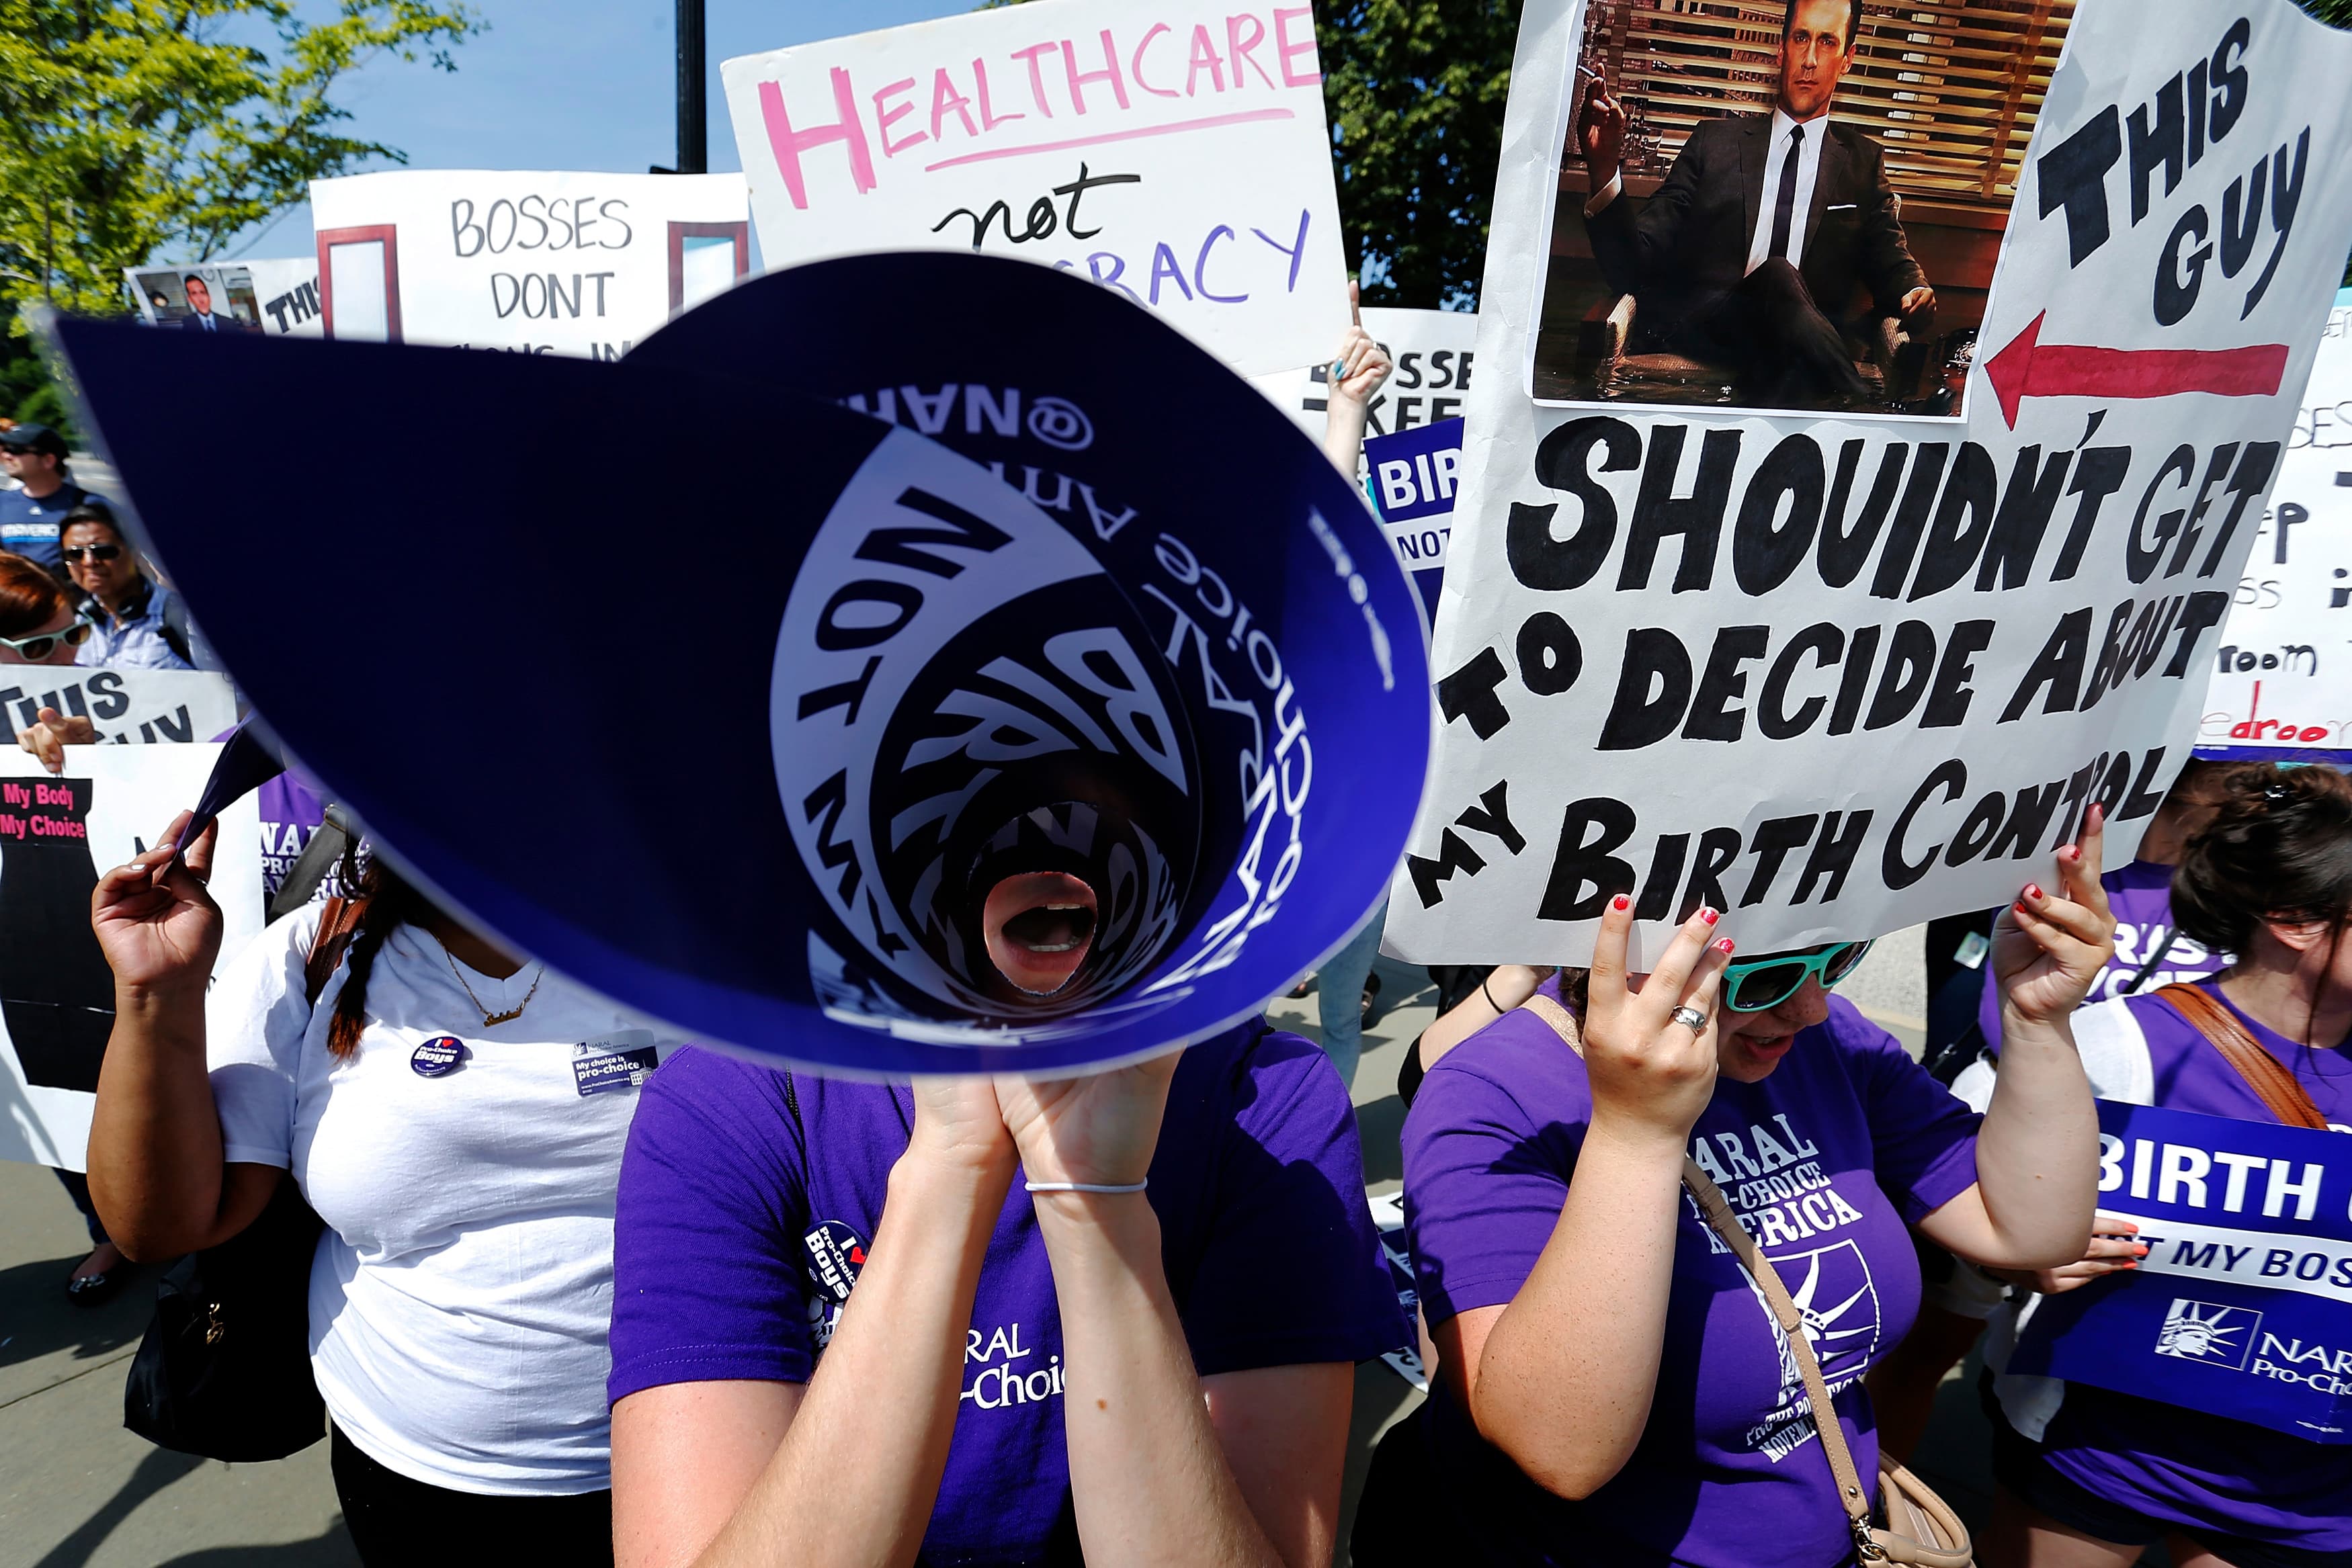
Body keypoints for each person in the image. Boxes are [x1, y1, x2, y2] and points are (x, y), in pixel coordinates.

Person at [605, 878, 1405, 1565]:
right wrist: (953, 1161)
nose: (1040, 827)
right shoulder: (726, 1104)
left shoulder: (1266, 1100)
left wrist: (1096, 1193)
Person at [1390, 812, 2111, 1565]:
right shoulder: (1496, 1091)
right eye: (1765, 977)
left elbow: (2027, 1230)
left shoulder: (1830, 1044)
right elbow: (1560, 1452)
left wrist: (2035, 1018)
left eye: (1835, 960)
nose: (1811, 1008)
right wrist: (1638, 1136)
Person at [85, 822, 675, 1565]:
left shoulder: (700, 946)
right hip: (413, 1483)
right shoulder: (316, 951)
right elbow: (160, 1225)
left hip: (703, 1450)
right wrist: (154, 995)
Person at [1964, 765, 2352, 1568]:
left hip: (2310, 1488)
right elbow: (1957, 1186)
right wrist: (2026, 1249)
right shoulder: (2117, 1045)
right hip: (2104, 1455)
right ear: (2294, 920)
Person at [1574, 0, 1933, 406]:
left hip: (1801, 349)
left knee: (1786, 359)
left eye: (1827, 42)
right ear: (1782, 49)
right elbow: (1633, 265)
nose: (1810, 59)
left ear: (1847, 58)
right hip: (1712, 331)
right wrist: (1604, 169)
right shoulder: (1714, 144)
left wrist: (1914, 289)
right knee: (1778, 274)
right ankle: (1870, 412)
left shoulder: (1862, 163)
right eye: (1801, 38)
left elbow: (1891, 258)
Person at [0, 550, 120, 1302]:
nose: (70, 655)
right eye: (44, 646)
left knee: (105, 1071)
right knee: (38, 1077)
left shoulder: (91, 701)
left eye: (72, 634)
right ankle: (108, 1232)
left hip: (80, 919)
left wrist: (89, 752)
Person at [1307, 288, 1396, 1089]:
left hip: (1361, 831)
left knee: (1341, 1016)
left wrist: (1346, 410)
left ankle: (1324, 1160)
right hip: (1264, 837)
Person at [58, 502, 194, 671]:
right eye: (75, 553)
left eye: (104, 551)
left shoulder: (184, 619)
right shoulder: (68, 623)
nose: (89, 562)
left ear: (135, 552)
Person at [0, 424, 94, 578]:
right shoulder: (2, 503)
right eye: (6, 450)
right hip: (16, 598)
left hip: (67, 599)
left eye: (16, 451)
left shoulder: (88, 505)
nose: (6, 456)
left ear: (48, 460)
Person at [177, 273, 243, 333]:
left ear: (209, 297)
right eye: (194, 294)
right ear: (190, 299)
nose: (201, 299)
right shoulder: (186, 325)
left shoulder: (229, 324)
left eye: (202, 292)